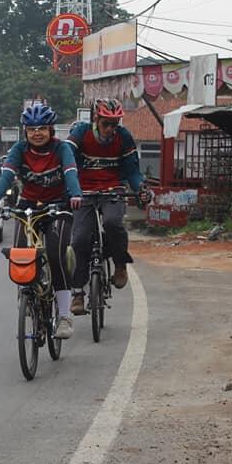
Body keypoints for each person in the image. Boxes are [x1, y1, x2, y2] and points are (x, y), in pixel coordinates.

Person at [0, 102, 82, 339]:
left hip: (59, 206)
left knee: (55, 254)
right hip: (28, 206)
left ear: (51, 130)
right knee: (20, 253)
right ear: (25, 131)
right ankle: (26, 294)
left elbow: (70, 173)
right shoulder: (19, 150)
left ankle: (65, 315)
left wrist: (76, 194)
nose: (37, 133)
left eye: (43, 128)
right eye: (32, 129)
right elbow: (7, 177)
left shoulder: (62, 149)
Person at [66, 99, 150, 315]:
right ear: (96, 119)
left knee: (113, 222)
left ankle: (120, 263)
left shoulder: (124, 137)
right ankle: (77, 293)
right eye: (107, 124)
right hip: (83, 191)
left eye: (115, 123)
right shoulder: (80, 133)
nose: (111, 129)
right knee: (79, 238)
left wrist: (140, 187)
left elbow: (132, 171)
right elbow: (66, 159)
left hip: (112, 189)